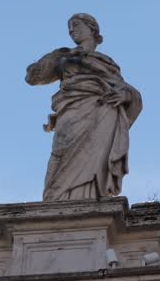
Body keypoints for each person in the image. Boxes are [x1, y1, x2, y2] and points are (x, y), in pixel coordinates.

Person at [26, 13, 143, 200]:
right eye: (69, 27)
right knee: (61, 154)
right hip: (71, 111)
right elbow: (33, 77)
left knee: (96, 159)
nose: (72, 29)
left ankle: (92, 199)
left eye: (76, 24)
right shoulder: (65, 56)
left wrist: (125, 95)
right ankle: (57, 202)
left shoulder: (106, 62)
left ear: (92, 29)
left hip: (101, 111)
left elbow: (128, 91)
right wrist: (58, 56)